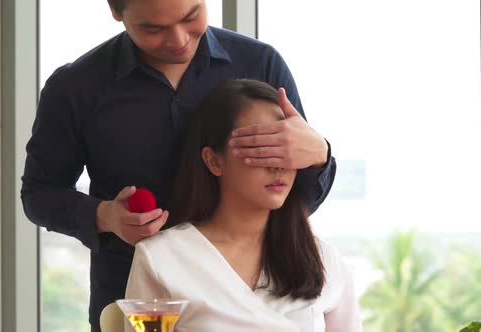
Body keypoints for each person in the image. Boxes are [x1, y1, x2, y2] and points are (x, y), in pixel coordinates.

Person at [21, 0, 336, 330]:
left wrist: (318, 154)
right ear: (116, 11)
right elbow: (39, 195)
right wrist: (105, 217)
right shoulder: (76, 87)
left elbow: (296, 199)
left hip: (259, 292)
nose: (179, 40)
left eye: (191, 16)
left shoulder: (260, 64)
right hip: (136, 297)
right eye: (153, 29)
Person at [125, 79, 361, 332]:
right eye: (261, 148)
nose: (277, 164)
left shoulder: (322, 259)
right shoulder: (162, 258)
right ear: (214, 161)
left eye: (284, 148)